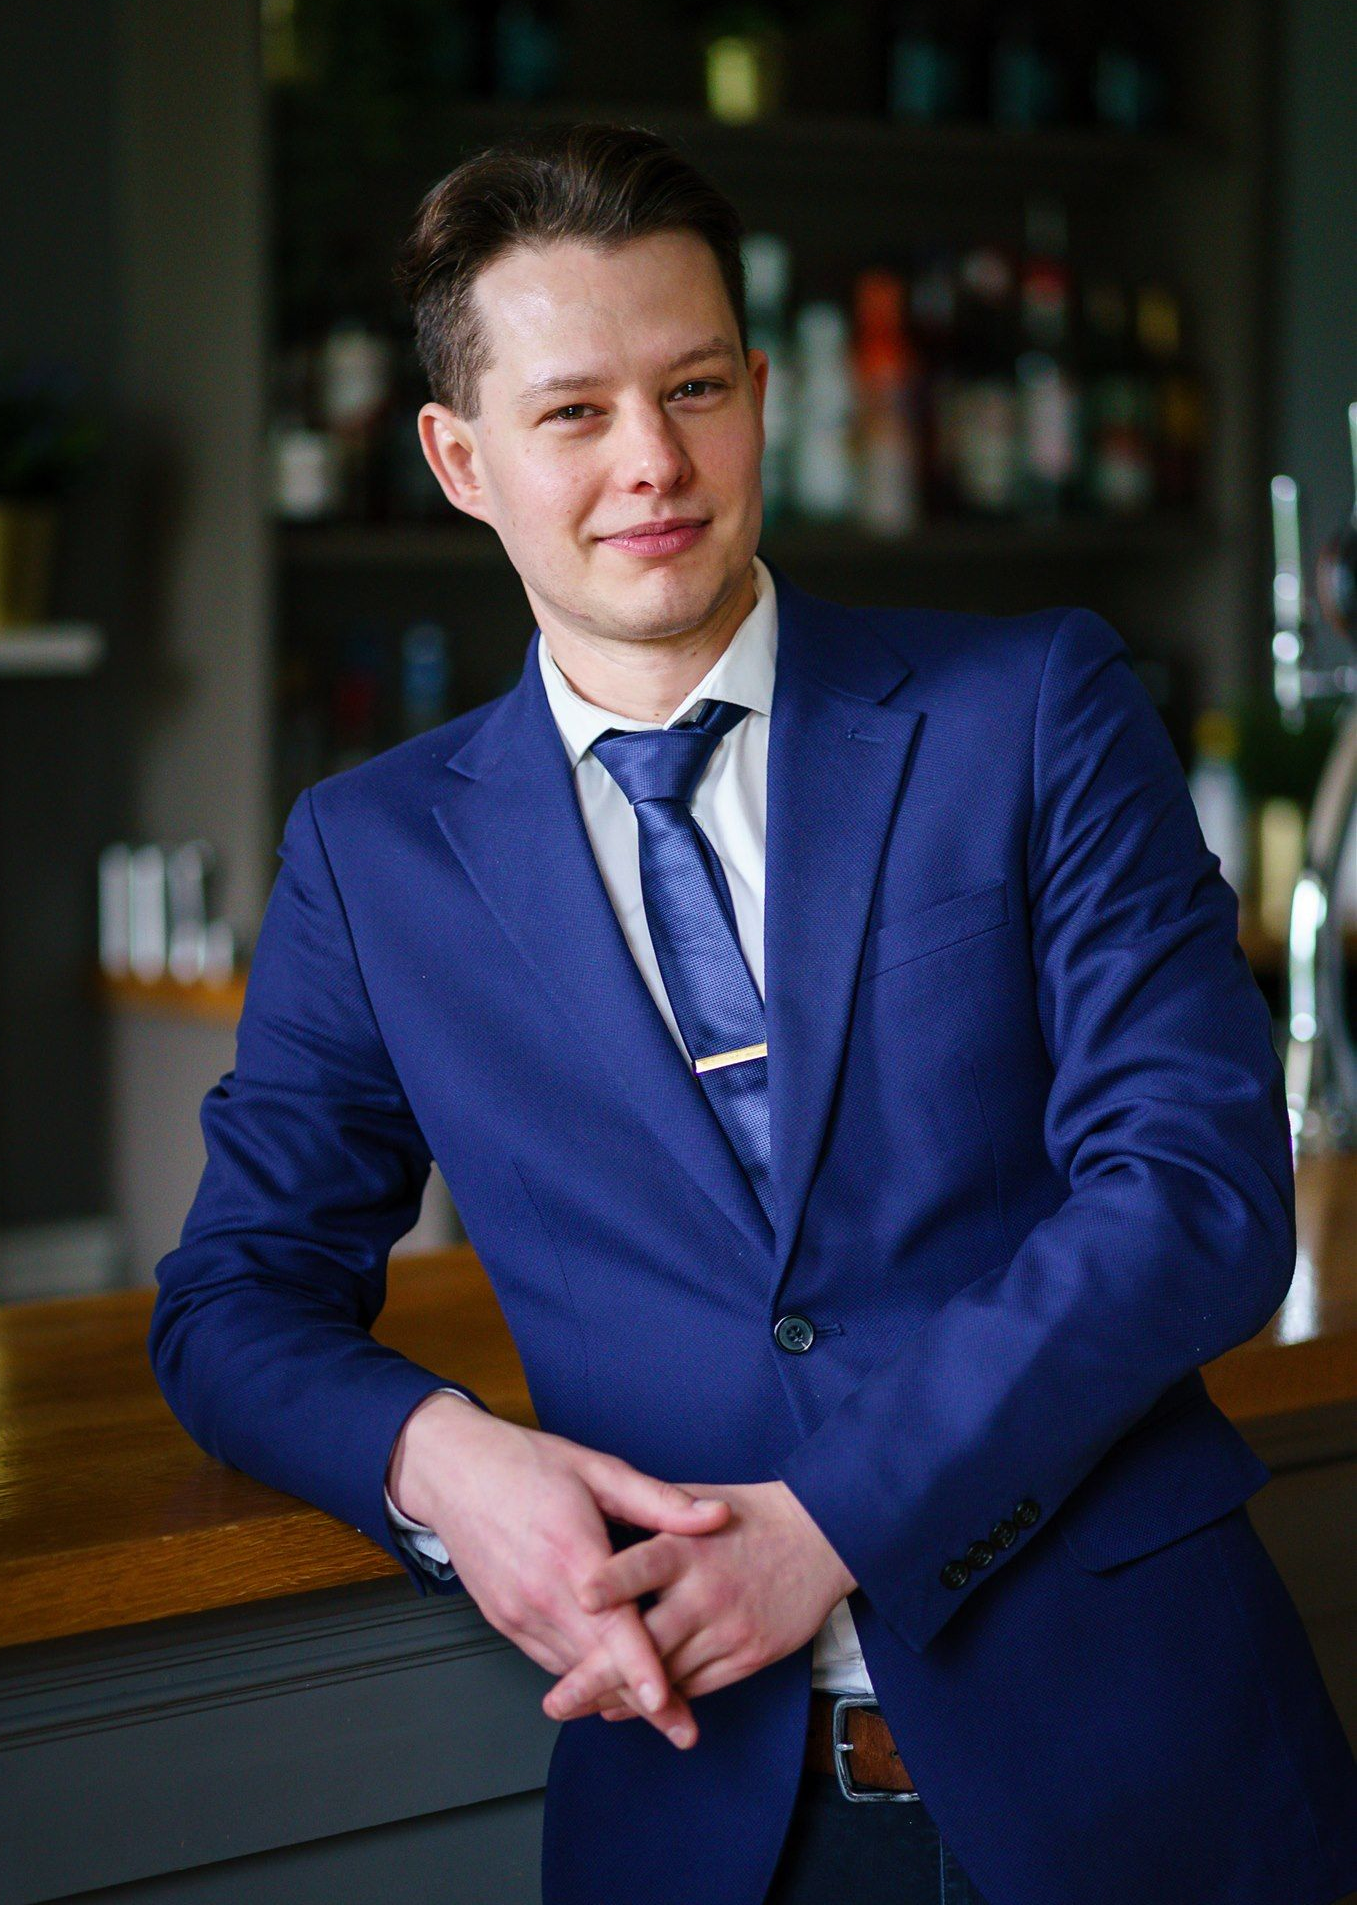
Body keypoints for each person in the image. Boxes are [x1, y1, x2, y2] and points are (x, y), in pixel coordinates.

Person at [148, 123, 1357, 1905]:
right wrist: (446, 1463)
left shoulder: (1032, 706)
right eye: (574, 413)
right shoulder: (368, 856)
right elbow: (232, 1300)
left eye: (695, 387)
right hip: (703, 1819)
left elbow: (1198, 1192)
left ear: (762, 391)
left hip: (1143, 1771)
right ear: (458, 458)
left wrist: (835, 1522)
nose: (654, 462)